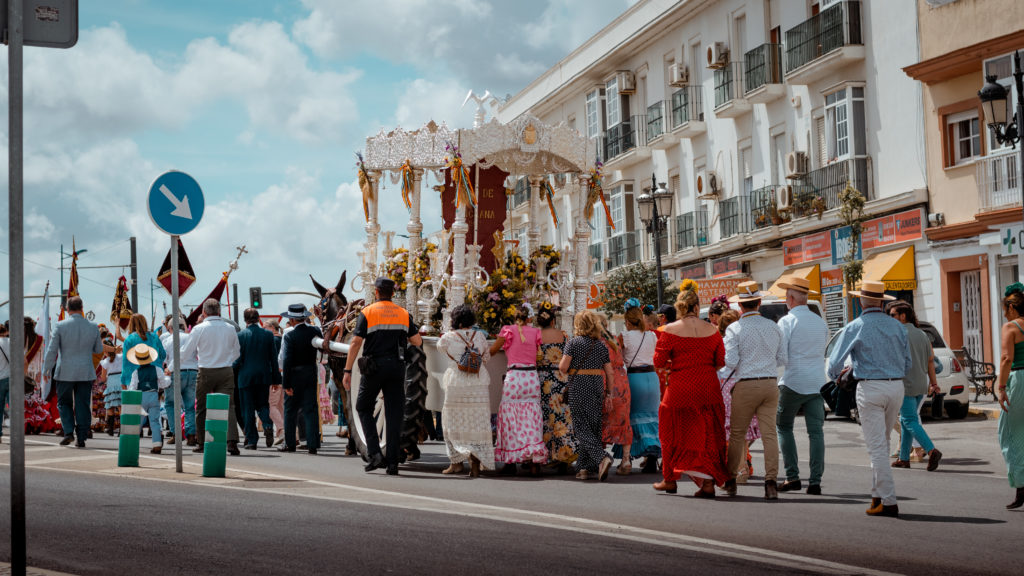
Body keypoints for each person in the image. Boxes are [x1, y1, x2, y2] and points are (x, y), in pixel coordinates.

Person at [827, 279, 912, 518]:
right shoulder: (897, 326)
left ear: (861, 300)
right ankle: (877, 495)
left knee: (877, 447)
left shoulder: (856, 326)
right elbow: (908, 363)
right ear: (882, 301)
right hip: (896, 386)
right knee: (882, 444)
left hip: (870, 387)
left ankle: (888, 500)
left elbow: (833, 363)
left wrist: (838, 377)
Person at [652, 281, 730, 498]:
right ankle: (707, 484)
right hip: (708, 386)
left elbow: (658, 361)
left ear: (680, 308)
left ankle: (669, 479)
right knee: (708, 435)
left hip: (679, 387)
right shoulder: (712, 331)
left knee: (672, 432)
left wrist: (675, 367)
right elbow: (720, 362)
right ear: (697, 307)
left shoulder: (669, 330)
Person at [343, 277, 422, 476]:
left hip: (374, 367)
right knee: (395, 414)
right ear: (393, 293)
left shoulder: (368, 312)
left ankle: (375, 453)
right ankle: (393, 463)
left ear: (376, 292)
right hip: (397, 367)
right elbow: (417, 341)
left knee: (362, 407)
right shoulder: (403, 313)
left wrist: (347, 370)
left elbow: (355, 342)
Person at [722, 281, 786, 500]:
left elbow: (730, 361)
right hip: (770, 382)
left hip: (746, 384)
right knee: (770, 435)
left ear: (740, 306)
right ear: (759, 302)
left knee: (737, 434)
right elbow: (782, 359)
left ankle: (731, 480)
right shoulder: (773, 326)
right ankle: (771, 482)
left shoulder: (734, 328)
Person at [775, 276, 829, 495]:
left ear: (790, 299)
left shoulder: (787, 322)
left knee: (783, 426)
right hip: (817, 383)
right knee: (816, 432)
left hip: (793, 381)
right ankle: (815, 481)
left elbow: (781, 356)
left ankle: (792, 476)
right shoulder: (820, 322)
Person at [489, 304, 548, 476]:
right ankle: (533, 461)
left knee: (510, 419)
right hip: (531, 378)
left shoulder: (508, 330)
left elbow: (493, 350)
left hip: (514, 377)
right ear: (529, 318)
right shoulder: (536, 332)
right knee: (531, 419)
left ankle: (511, 461)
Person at [437, 304, 495, 477]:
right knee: (478, 423)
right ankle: (476, 461)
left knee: (451, 422)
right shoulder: (481, 337)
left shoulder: (447, 338)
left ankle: (456, 463)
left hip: (457, 382)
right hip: (478, 383)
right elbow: (485, 357)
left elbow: (441, 349)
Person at [886, 300, 943, 472]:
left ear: (903, 316)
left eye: (892, 315)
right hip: (921, 384)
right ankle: (904, 458)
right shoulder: (922, 334)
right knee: (905, 421)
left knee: (909, 419)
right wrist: (934, 383)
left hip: (905, 384)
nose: (890, 318)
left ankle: (931, 450)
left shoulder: (897, 334)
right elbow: (930, 361)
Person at [558, 310, 615, 481]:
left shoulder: (573, 343)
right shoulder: (601, 345)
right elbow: (610, 373)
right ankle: (584, 468)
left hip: (579, 384)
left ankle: (601, 458)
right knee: (593, 426)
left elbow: (562, 367)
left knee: (581, 427)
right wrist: (609, 393)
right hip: (597, 384)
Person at [182, 299, 242, 456]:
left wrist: (173, 365)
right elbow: (237, 351)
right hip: (226, 370)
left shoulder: (198, 329)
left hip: (206, 370)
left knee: (201, 407)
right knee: (229, 406)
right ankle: (232, 442)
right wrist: (227, 360)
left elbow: (187, 352)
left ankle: (202, 442)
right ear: (219, 311)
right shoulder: (230, 328)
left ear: (204, 312)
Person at [42, 296, 104, 448]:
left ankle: (68, 432)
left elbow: (52, 350)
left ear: (67, 309)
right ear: (82, 309)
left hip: (65, 372)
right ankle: (81, 437)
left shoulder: (60, 325)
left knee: (64, 403)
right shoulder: (93, 326)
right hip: (86, 372)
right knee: (83, 404)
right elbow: (99, 349)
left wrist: (46, 369)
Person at [717, 310, 760, 484]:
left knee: (731, 431)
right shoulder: (748, 341)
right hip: (745, 384)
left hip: (726, 386)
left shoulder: (722, 343)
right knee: (741, 431)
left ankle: (737, 467)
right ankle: (743, 466)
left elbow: (721, 366)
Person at [619, 299, 660, 475]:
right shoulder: (652, 335)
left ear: (627, 321)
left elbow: (619, 360)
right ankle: (652, 458)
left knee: (632, 419)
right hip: (652, 378)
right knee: (652, 418)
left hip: (634, 378)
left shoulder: (624, 336)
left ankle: (626, 459)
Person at [277, 304, 323, 455]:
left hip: (294, 374)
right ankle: (313, 443)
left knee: (290, 410)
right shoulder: (315, 330)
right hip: (310, 371)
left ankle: (290, 444)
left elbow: (286, 359)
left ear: (292, 319)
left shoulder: (289, 334)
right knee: (311, 409)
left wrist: (286, 383)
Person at [536, 301, 576, 469]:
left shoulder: (536, 336)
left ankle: (548, 454)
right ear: (553, 320)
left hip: (543, 379)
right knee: (562, 416)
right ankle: (564, 453)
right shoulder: (564, 336)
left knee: (546, 417)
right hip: (561, 378)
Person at [235, 308, 280, 450]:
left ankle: (252, 440)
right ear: (258, 318)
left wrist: (229, 369)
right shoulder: (267, 335)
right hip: (263, 376)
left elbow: (238, 359)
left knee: (247, 409)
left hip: (245, 377)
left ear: (245, 320)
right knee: (263, 405)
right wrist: (276, 379)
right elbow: (273, 358)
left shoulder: (240, 335)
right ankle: (267, 425)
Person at [996, 283, 1024, 509]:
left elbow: (1006, 359)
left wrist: (1001, 387)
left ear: (1013, 308)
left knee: (1008, 434)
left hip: (1019, 380)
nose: (1004, 313)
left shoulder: (1011, 327)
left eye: (1005, 308)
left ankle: (1021, 486)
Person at [597, 312, 632, 475]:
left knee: (601, 421)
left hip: (606, 380)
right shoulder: (614, 339)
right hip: (622, 381)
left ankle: (600, 459)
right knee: (623, 421)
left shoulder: (597, 341)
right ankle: (626, 460)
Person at [160, 314, 200, 446]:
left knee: (170, 404)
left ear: (170, 328)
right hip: (192, 372)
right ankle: (191, 435)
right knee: (189, 406)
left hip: (175, 372)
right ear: (183, 326)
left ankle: (176, 433)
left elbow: (164, 360)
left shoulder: (167, 340)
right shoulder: (190, 337)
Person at [126, 343, 168, 454]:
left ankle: (133, 444)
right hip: (154, 396)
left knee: (138, 422)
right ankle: (157, 444)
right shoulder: (158, 369)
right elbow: (163, 384)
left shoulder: (136, 372)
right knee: (154, 421)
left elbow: (132, 388)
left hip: (141, 397)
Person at [264, 319, 286, 446]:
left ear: (272, 327)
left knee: (271, 406)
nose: (264, 330)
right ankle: (290, 433)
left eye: (265, 327)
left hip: (274, 377)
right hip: (283, 377)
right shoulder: (283, 339)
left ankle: (282, 430)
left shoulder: (272, 341)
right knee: (281, 407)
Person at [0, 325, 9, 443]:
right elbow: (24, 361)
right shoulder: (13, 342)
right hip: (13, 379)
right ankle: (16, 430)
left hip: (0, 378)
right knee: (13, 407)